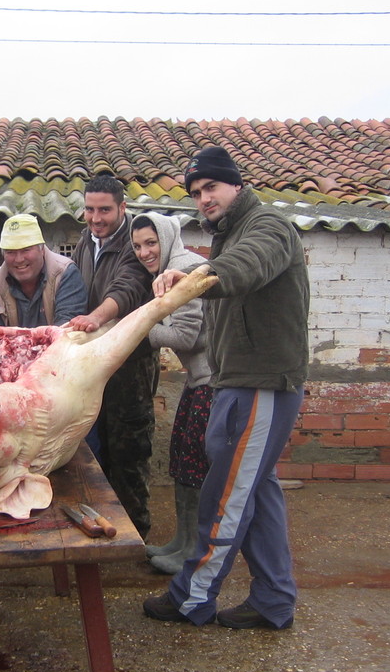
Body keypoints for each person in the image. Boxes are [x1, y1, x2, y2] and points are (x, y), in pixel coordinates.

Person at [142, 146, 309, 629]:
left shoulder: (268, 228)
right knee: (256, 490)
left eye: (210, 187)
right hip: (236, 382)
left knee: (227, 493)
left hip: (262, 384)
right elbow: (231, 265)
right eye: (195, 193)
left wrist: (195, 278)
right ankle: (273, 599)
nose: (203, 198)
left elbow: (246, 266)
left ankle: (191, 596)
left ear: (235, 185)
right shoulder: (230, 235)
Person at [68, 175, 158, 538]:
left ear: (122, 208)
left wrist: (94, 318)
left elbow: (128, 288)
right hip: (92, 366)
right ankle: (103, 528)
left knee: (129, 453)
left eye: (104, 209)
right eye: (89, 209)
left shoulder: (133, 243)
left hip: (128, 366)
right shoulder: (85, 244)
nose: (96, 217)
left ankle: (137, 535)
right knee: (92, 450)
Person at [130, 212, 214, 575]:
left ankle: (193, 550)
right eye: (137, 246)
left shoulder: (187, 268)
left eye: (151, 243)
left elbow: (186, 337)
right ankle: (181, 541)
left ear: (166, 237)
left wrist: (138, 329)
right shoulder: (167, 270)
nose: (145, 252)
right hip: (199, 381)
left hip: (214, 381)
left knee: (194, 462)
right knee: (182, 458)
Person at [0, 213, 88, 327]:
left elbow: (66, 330)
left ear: (41, 249)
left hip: (58, 344)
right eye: (10, 252)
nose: (19, 259)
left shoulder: (65, 274)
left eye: (26, 250)